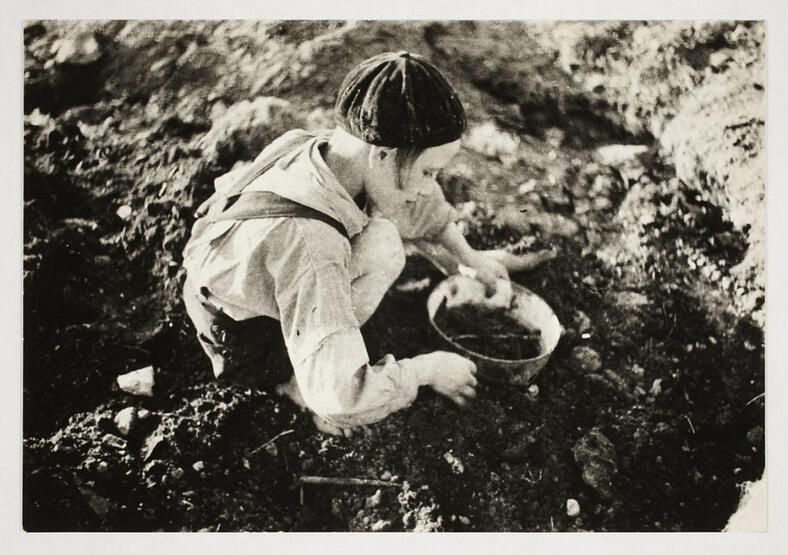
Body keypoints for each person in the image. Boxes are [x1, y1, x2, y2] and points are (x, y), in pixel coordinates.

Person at [181, 51, 554, 436]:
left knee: (381, 235)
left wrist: (466, 256)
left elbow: (414, 201)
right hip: (242, 339)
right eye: (428, 171)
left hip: (248, 279)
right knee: (384, 250)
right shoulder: (313, 246)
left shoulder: (329, 152)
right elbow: (342, 398)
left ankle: (310, 353)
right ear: (382, 153)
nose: (430, 185)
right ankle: (290, 384)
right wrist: (426, 372)